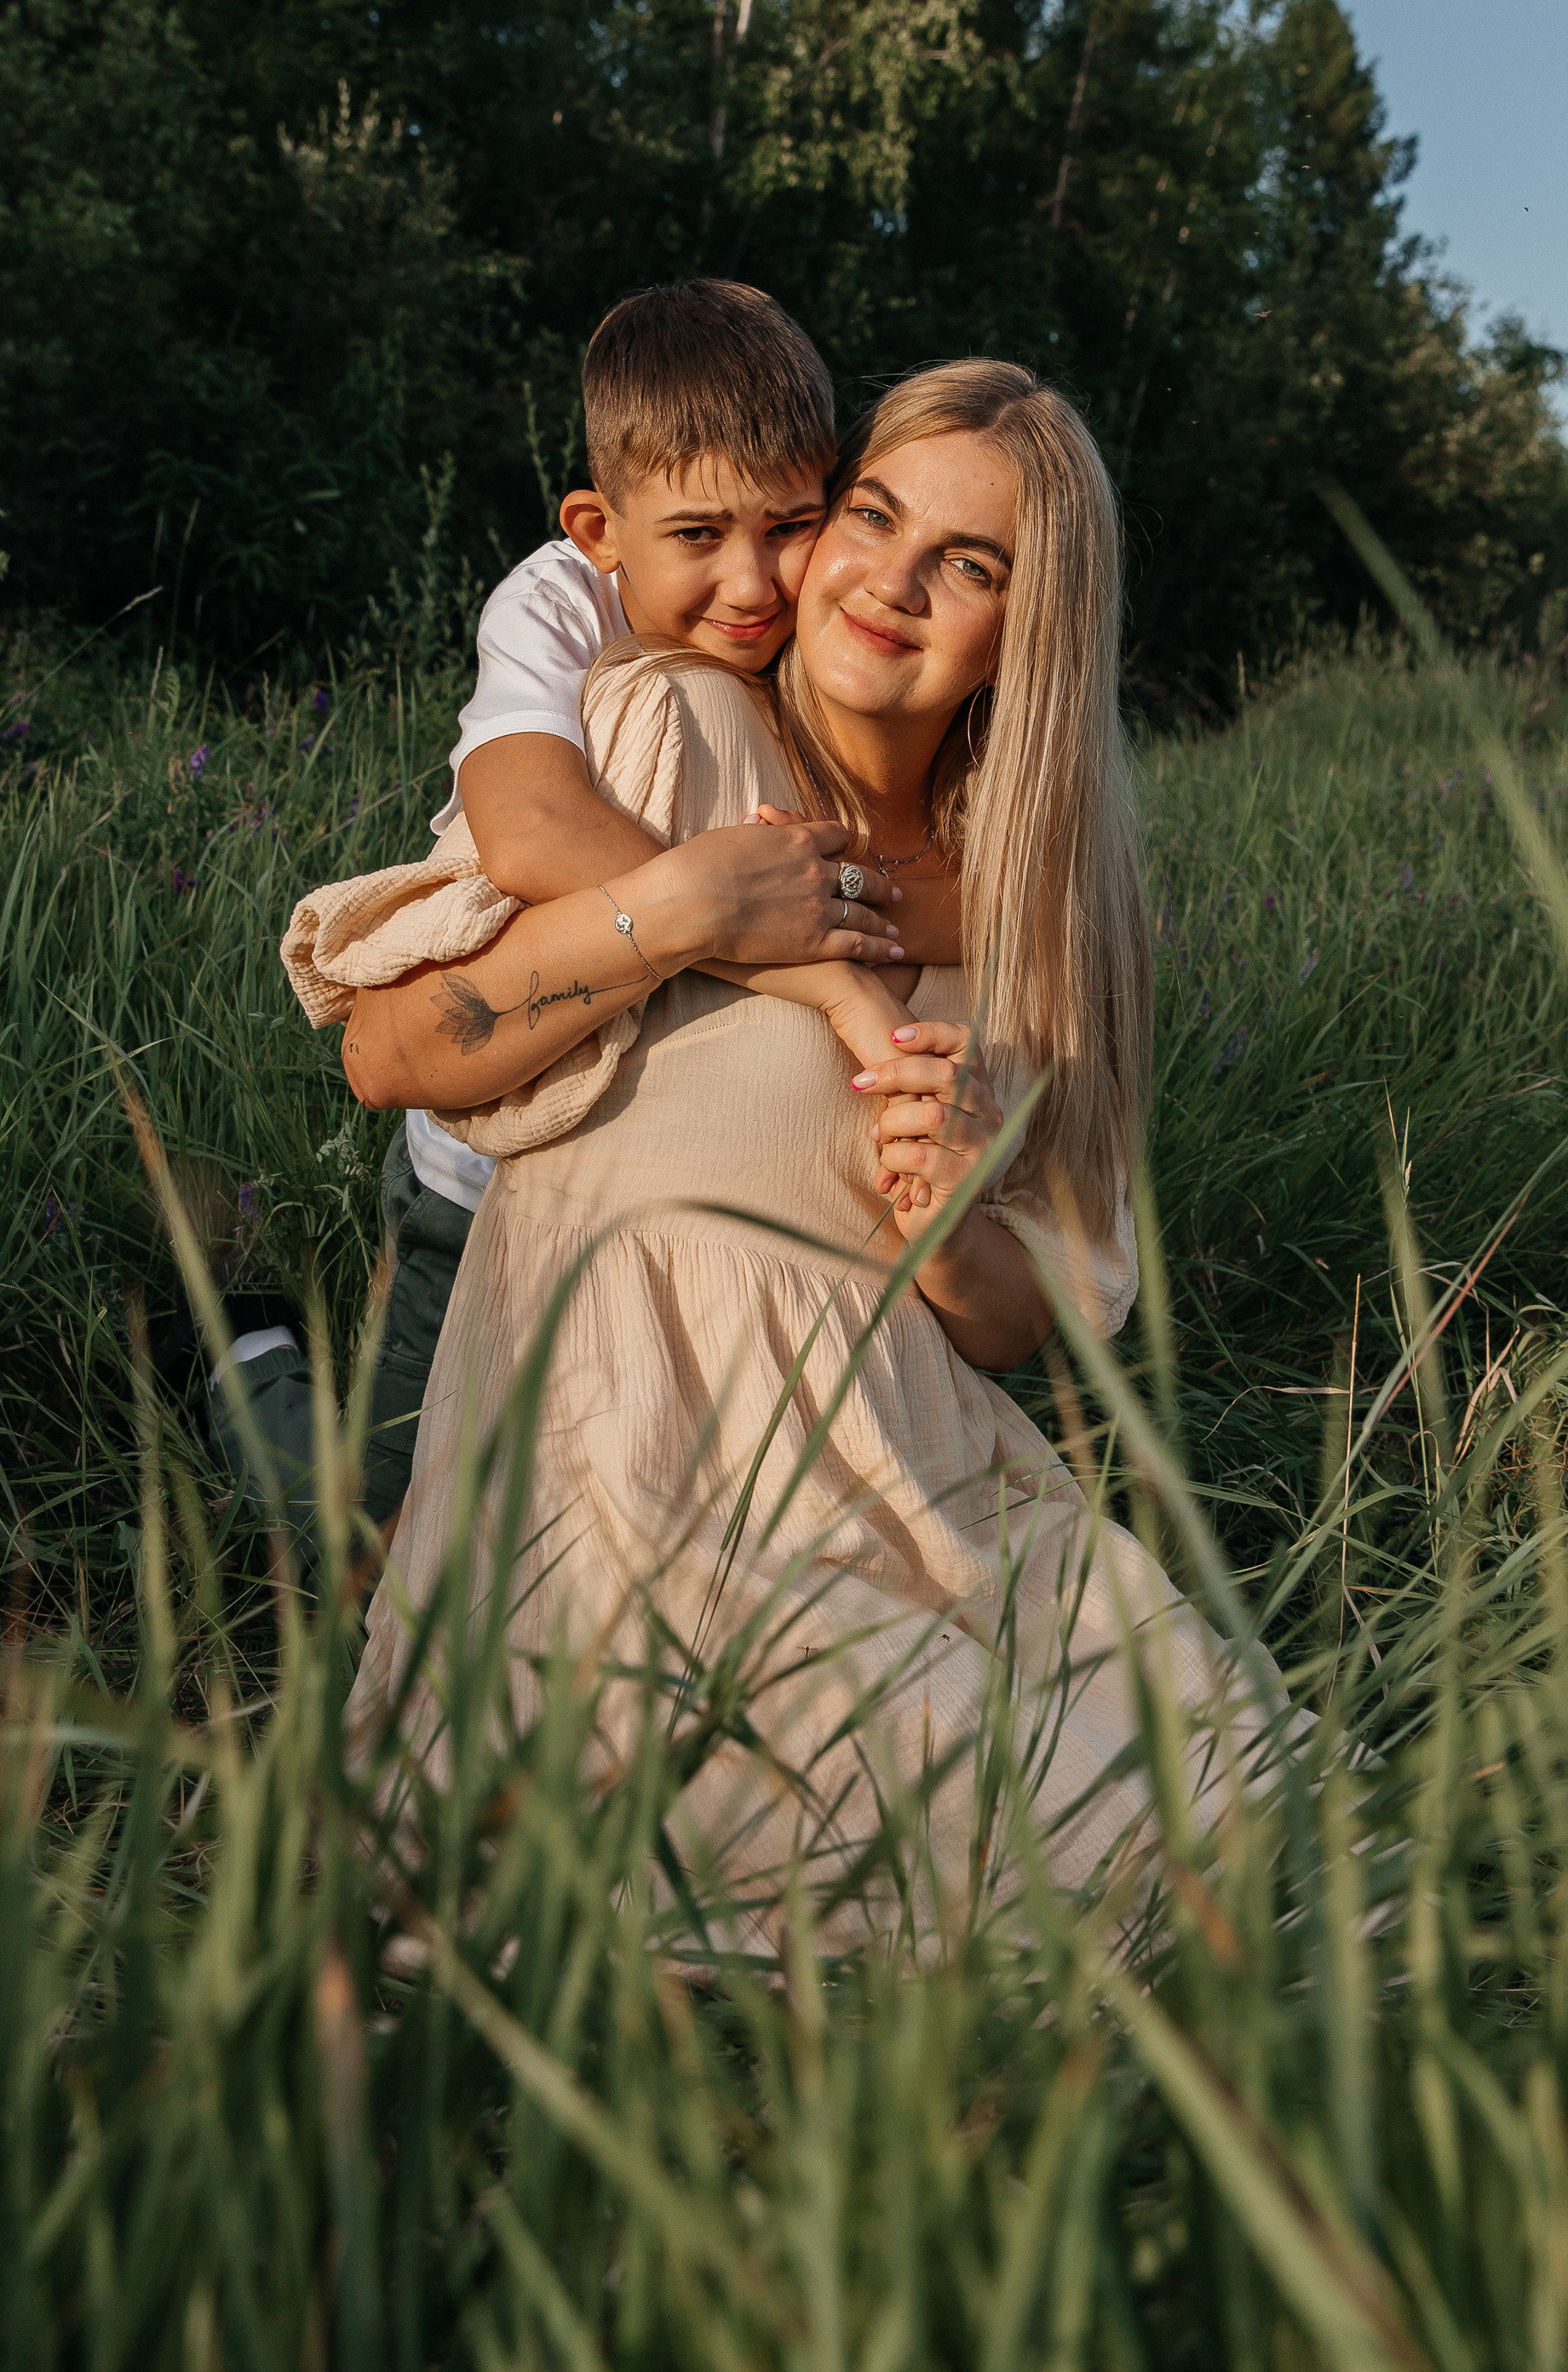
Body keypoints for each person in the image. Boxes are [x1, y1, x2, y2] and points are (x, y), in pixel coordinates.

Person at [284, 364, 1283, 1950]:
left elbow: (1017, 1320)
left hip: (913, 1465)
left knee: (1247, 1811)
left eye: (970, 563)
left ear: (1030, 629)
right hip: (621, 1447)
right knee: (1023, 1846)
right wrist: (683, 906)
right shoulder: (665, 723)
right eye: (871, 517)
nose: (889, 581)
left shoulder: (1039, 918)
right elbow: (389, 1050)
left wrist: (958, 1209)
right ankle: (261, 1389)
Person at [215, 280, 890, 1567]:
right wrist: (788, 954)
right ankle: (246, 1369)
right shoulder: (560, 603)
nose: (752, 581)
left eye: (791, 525)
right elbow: (530, 829)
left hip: (671, 1214)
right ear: (599, 528)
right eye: (698, 533)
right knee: (381, 1548)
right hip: (478, 1176)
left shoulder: (833, 618)